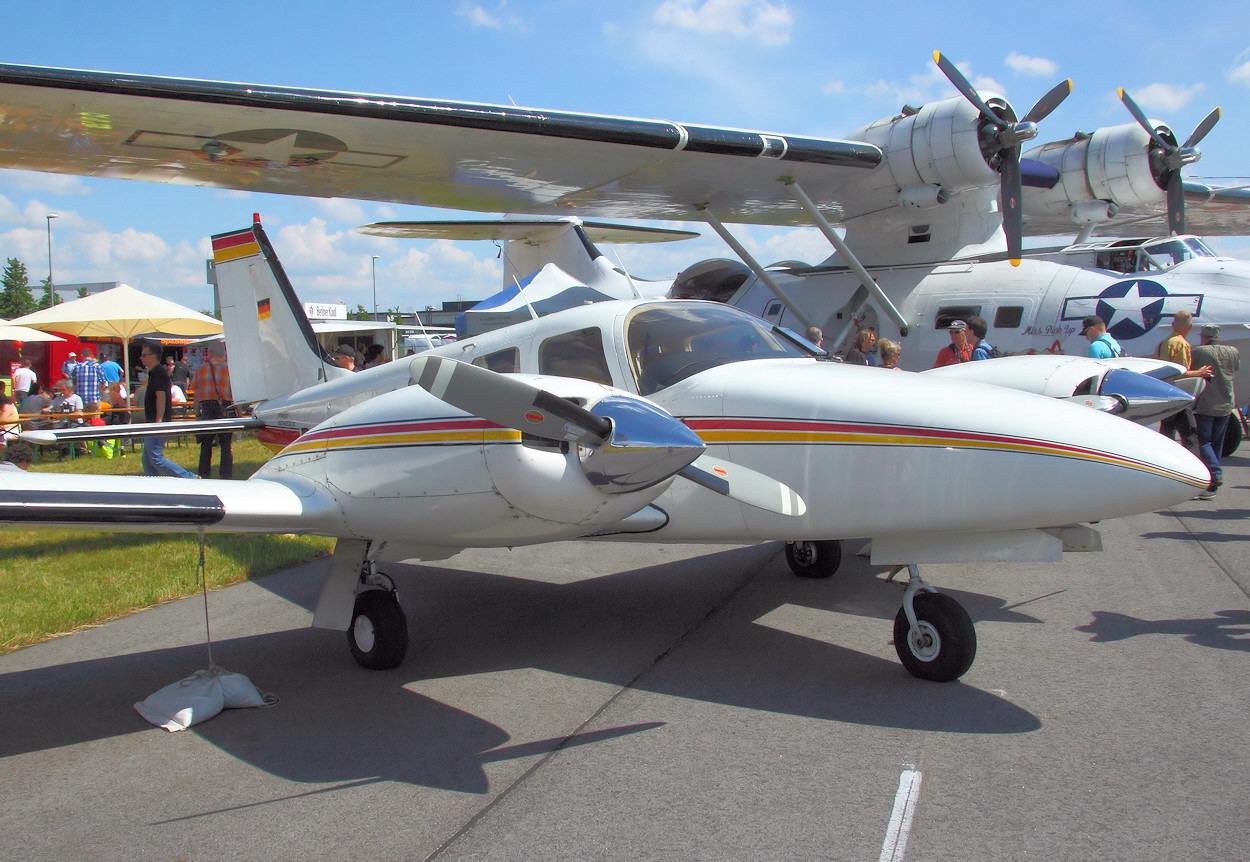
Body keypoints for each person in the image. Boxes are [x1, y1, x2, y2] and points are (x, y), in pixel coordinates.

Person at [1190, 324, 1240, 500]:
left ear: (1204, 337)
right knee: (1217, 442)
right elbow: (1235, 369)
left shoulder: (1199, 352)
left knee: (1204, 442)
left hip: (1206, 403)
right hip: (1226, 402)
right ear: (1218, 337)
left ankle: (1215, 473)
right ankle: (1212, 482)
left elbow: (1192, 372)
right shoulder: (1232, 351)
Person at [1154, 311, 1212, 451]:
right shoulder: (1181, 344)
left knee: (1167, 433)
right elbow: (1179, 373)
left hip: (1166, 392)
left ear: (1173, 325)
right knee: (1190, 436)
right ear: (1190, 326)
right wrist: (1200, 373)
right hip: (1179, 393)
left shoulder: (1164, 343)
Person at [139, 343, 197, 479]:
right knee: (148, 460)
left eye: (143, 355)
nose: (140, 358)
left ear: (152, 357)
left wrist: (158, 422)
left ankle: (189, 477)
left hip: (157, 422)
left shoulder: (158, 373)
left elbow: (161, 397)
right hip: (153, 421)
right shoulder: (155, 372)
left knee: (155, 459)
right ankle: (153, 486)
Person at [192, 342, 234, 479]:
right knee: (226, 445)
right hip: (225, 407)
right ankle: (226, 476)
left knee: (206, 444)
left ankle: (204, 475)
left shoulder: (201, 370)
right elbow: (234, 395)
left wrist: (197, 414)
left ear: (210, 353)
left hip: (207, 407)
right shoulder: (230, 370)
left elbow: (197, 395)